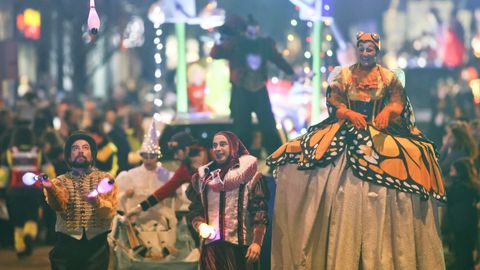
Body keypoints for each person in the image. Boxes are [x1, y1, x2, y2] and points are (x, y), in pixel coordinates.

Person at [266, 32, 446, 269]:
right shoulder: (344, 75)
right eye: (361, 49)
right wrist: (348, 113)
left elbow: (397, 102)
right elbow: (334, 101)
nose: (365, 53)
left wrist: (386, 113)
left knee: (413, 155)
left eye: (369, 49)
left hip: (380, 130)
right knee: (308, 154)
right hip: (348, 129)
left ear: (376, 51)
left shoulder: (388, 77)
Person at [210, 15, 294, 154]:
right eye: (250, 31)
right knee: (242, 129)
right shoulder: (236, 44)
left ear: (258, 30)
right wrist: (222, 38)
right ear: (245, 31)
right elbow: (215, 53)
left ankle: (275, 158)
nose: (253, 34)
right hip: (241, 88)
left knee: (268, 127)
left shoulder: (264, 44)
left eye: (255, 31)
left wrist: (291, 73)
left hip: (259, 88)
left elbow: (278, 59)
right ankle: (242, 159)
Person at [186, 131, 269, 269]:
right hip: (212, 249)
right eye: (215, 145)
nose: (218, 148)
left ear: (233, 147)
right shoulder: (203, 177)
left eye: (223, 144)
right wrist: (200, 225)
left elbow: (260, 212)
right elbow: (195, 210)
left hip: (242, 249)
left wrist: (257, 242)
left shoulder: (250, 175)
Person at [126, 131, 209, 260]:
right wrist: (139, 208)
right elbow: (164, 191)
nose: (176, 156)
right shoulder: (184, 169)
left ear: (186, 149)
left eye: (177, 152)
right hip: (204, 211)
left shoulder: (212, 156)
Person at [42, 131, 118, 270]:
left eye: (85, 147)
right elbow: (59, 207)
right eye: (75, 148)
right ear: (69, 155)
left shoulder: (105, 179)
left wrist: (96, 202)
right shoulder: (59, 181)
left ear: (92, 153)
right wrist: (51, 189)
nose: (80, 151)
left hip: (96, 246)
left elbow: (110, 212)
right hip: (66, 245)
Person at [116, 120, 177, 246]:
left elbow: (176, 200)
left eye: (152, 157)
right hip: (136, 222)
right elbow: (117, 199)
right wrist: (125, 195)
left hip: (160, 222)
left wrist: (172, 195)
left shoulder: (166, 176)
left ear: (157, 156)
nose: (148, 160)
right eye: (145, 157)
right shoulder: (131, 175)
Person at [0, 126, 56, 258]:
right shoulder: (38, 152)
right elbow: (48, 170)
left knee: (18, 220)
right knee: (32, 217)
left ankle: (20, 249)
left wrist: (2, 189)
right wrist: (51, 183)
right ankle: (29, 235)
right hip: (34, 191)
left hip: (15, 192)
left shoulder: (10, 152)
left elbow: (3, 174)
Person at [443, 158, 479, 270]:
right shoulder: (473, 187)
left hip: (457, 224)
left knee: (460, 253)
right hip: (470, 223)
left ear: (459, 171)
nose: (450, 173)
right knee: (468, 252)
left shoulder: (452, 188)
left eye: (452, 171)